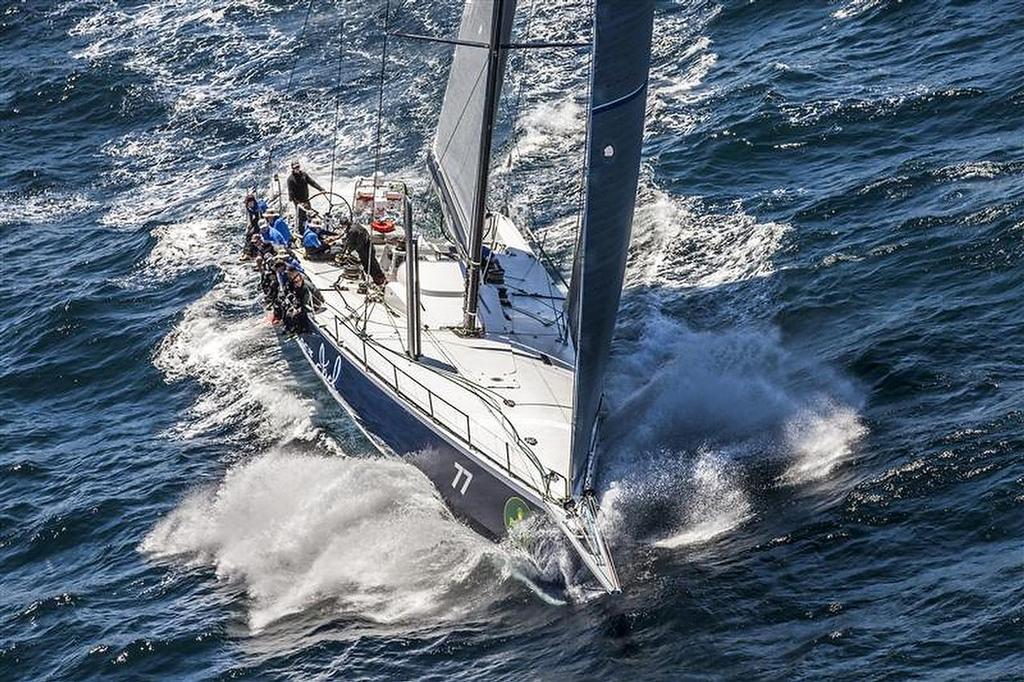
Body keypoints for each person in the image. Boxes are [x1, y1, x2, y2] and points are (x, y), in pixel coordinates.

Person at [287, 161, 324, 231]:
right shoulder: (290, 179)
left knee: (310, 216)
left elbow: (312, 182)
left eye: (298, 167)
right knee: (302, 218)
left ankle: (313, 230)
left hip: (306, 200)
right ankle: (302, 232)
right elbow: (291, 194)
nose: (297, 168)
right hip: (299, 203)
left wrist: (321, 189)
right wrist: (298, 203)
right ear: (292, 168)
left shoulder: (304, 175)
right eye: (295, 167)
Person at [241, 194, 267, 259]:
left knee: (252, 234)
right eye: (249, 203)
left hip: (263, 219)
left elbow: (261, 219)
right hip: (257, 219)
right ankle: (246, 252)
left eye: (251, 202)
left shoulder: (258, 208)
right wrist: (248, 226)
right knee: (248, 234)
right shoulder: (248, 208)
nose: (250, 204)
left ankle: (249, 253)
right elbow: (249, 217)